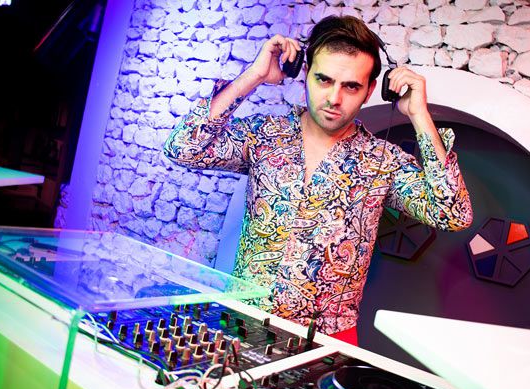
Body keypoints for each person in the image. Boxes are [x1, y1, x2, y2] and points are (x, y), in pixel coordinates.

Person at [164, 16, 473, 345]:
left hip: (327, 342)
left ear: (370, 91)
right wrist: (255, 75)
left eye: (351, 86)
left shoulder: (384, 160)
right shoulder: (264, 135)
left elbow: (453, 214)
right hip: (241, 325)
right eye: (324, 80)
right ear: (306, 73)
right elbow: (183, 148)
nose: (334, 98)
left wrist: (419, 115)